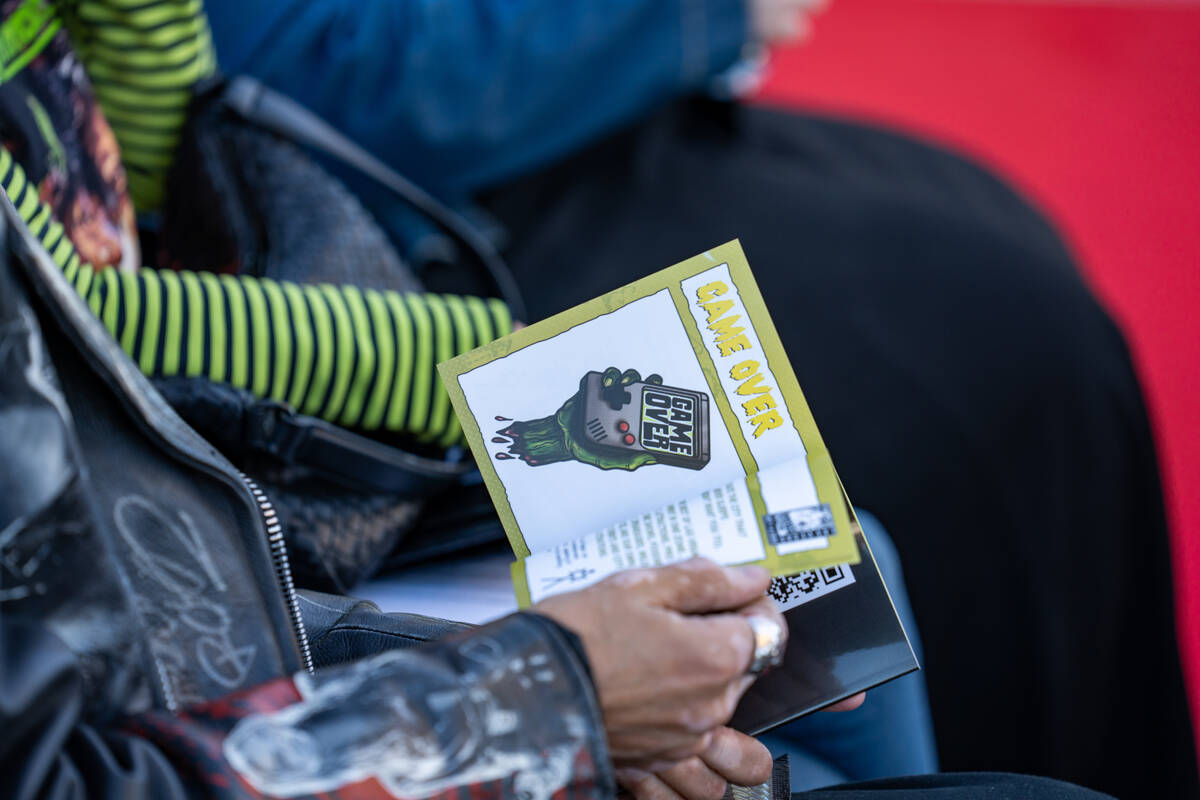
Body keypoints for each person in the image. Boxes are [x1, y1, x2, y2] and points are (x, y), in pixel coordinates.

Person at [198, 0, 1199, 795]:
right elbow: (299, 69)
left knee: (987, 275)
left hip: (493, 180)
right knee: (1004, 347)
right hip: (388, 248)